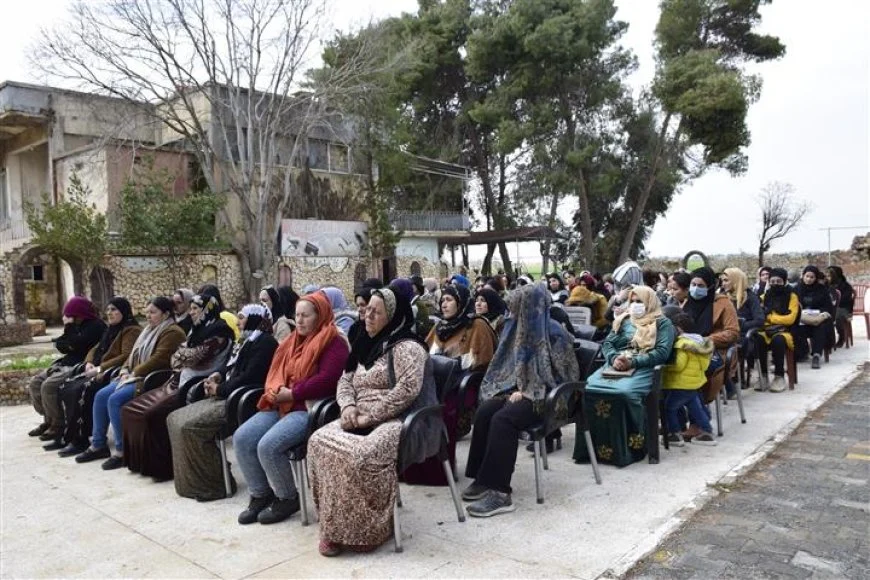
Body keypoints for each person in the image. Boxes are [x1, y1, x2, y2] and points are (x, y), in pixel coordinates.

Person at [308, 288, 428, 556]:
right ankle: (333, 527)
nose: (367, 316)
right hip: (356, 415)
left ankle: (369, 530)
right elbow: (345, 379)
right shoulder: (364, 342)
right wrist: (348, 406)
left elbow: (407, 390)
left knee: (361, 455)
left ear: (392, 316)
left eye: (376, 312)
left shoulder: (407, 346)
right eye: (366, 310)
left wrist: (369, 417)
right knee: (317, 442)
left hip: (396, 420)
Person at [462, 284, 580, 517]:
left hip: (549, 398)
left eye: (517, 309)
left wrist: (531, 390)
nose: (511, 314)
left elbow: (568, 376)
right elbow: (509, 368)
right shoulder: (515, 331)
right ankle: (483, 478)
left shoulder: (554, 333)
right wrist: (512, 388)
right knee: (486, 410)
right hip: (520, 392)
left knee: (503, 420)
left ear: (530, 308)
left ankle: (500, 493)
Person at [233, 292, 349, 524]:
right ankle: (261, 493)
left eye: (306, 315)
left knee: (268, 445)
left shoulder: (334, 340)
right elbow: (275, 372)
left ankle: (287, 497)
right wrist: (276, 391)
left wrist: (294, 393)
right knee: (242, 438)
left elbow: (328, 379)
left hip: (309, 408)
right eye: (297, 315)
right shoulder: (292, 341)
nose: (300, 321)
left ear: (321, 315)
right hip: (281, 403)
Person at [167, 304, 279, 501]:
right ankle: (192, 484)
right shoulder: (246, 341)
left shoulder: (266, 343)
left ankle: (214, 485)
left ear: (255, 318)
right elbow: (233, 368)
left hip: (242, 401)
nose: (238, 322)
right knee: (174, 418)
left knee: (190, 427)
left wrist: (220, 389)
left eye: (242, 318)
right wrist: (218, 376)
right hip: (227, 393)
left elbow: (251, 377)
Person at [122, 294, 235, 480]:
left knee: (153, 414)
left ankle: (164, 468)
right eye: (190, 309)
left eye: (195, 309)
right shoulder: (197, 330)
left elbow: (193, 357)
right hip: (179, 379)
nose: (191, 313)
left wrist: (183, 356)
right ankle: (143, 465)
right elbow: (176, 357)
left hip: (196, 384)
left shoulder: (220, 333)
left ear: (207, 310)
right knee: (130, 409)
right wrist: (183, 356)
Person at [75, 297, 186, 467]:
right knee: (101, 395)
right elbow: (132, 355)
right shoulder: (148, 330)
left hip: (152, 379)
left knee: (115, 399)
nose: (148, 316)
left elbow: (159, 359)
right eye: (147, 312)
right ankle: (98, 444)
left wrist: (134, 372)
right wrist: (125, 370)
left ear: (165, 314)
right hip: (133, 375)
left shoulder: (173, 332)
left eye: (153, 312)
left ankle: (122, 451)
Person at [572, 286, 676, 467]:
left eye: (639, 301)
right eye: (632, 301)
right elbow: (608, 344)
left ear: (649, 302)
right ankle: (591, 449)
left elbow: (661, 353)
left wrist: (633, 362)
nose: (635, 305)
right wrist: (614, 358)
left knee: (623, 393)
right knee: (587, 389)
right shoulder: (623, 319)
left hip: (644, 367)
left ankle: (631, 449)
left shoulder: (662, 323)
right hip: (614, 365)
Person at [54, 298, 142, 456]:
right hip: (97, 369)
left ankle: (83, 438)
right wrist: (88, 362)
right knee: (67, 386)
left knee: (83, 390)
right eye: (108, 310)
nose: (110, 313)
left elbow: (126, 355)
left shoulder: (131, 330)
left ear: (124, 311)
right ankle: (72, 435)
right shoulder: (111, 329)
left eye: (114, 310)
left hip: (111, 372)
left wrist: (101, 368)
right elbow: (95, 348)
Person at [28, 296, 106, 441]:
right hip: (64, 363)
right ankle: (49, 420)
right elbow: (62, 345)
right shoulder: (75, 326)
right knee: (35, 383)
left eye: (71, 315)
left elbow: (77, 343)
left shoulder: (96, 326)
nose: (69, 318)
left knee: (49, 386)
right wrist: (68, 340)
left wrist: (69, 334)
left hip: (79, 366)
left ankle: (58, 425)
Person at [661, 314, 716, 446]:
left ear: (678, 329)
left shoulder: (682, 345)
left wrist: (664, 368)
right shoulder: (699, 342)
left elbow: (678, 366)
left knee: (669, 408)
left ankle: (674, 434)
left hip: (681, 384)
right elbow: (705, 365)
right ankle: (706, 433)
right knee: (696, 409)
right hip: (694, 384)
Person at [426, 284, 497, 372]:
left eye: (449, 300)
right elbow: (424, 354)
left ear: (460, 303)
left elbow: (482, 363)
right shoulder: (440, 326)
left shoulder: (476, 325)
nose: (444, 305)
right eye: (442, 300)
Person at [720, 267, 765, 392]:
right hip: (727, 334)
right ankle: (723, 383)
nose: (723, 284)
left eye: (726, 280)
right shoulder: (722, 297)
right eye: (722, 280)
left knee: (732, 347)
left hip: (746, 335)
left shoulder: (750, 297)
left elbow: (760, 320)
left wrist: (739, 326)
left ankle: (732, 382)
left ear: (736, 280)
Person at [755, 268, 800, 393]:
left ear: (785, 282)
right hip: (766, 330)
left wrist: (770, 317)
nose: (775, 284)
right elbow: (759, 316)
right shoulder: (764, 297)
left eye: (778, 281)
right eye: (772, 281)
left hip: (784, 331)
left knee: (778, 340)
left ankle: (779, 376)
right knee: (757, 339)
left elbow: (790, 318)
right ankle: (763, 375)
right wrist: (771, 319)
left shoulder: (792, 297)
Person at [795, 265, 835, 368]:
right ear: (803, 276)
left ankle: (816, 355)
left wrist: (819, 314)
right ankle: (802, 352)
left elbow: (828, 307)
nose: (809, 279)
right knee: (794, 327)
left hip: (818, 319)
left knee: (821, 326)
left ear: (816, 278)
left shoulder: (822, 289)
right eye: (807, 276)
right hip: (802, 319)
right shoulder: (796, 289)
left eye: (812, 277)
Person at [827, 266, 855, 348]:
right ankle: (827, 340)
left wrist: (834, 301)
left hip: (844, 308)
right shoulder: (827, 285)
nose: (827, 277)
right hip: (831, 308)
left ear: (835, 275)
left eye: (829, 275)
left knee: (837, 315)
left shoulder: (846, 286)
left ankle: (842, 337)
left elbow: (845, 300)